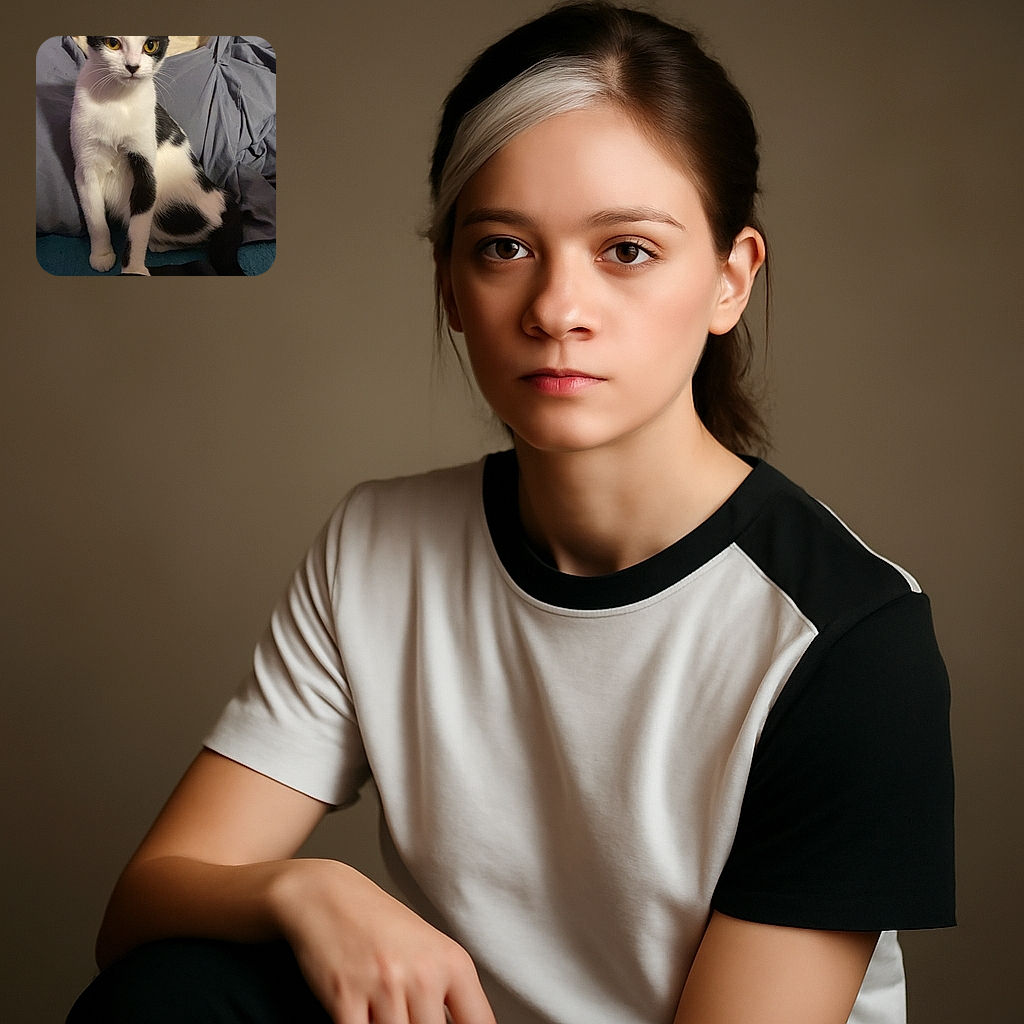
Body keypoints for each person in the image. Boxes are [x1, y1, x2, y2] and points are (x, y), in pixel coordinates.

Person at [67, 3, 955, 1023]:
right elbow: (141, 906)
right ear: (447, 282)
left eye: (626, 250)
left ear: (729, 279)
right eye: (502, 248)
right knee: (171, 993)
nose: (555, 309)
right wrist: (304, 886)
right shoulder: (380, 548)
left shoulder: (846, 636)